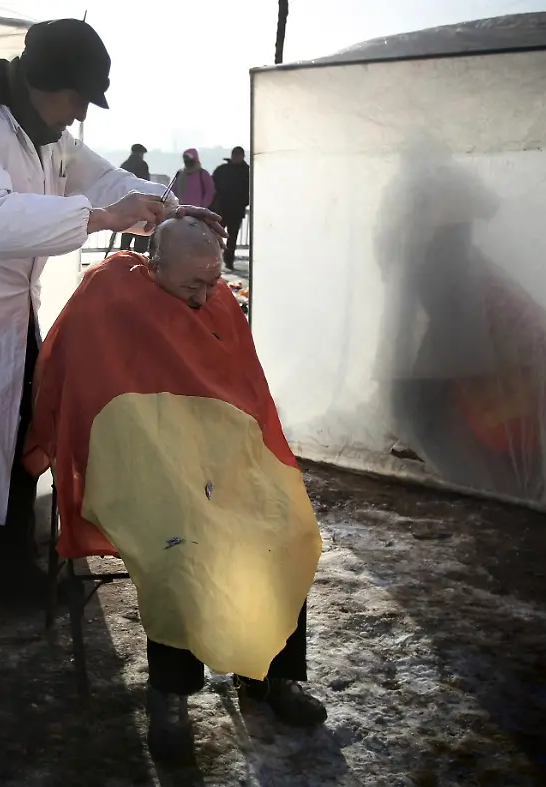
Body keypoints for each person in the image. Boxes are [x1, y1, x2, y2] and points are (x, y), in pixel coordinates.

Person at [0, 19, 225, 680]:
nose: (82, 113)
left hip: (4, 319)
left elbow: (109, 180)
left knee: (22, 447)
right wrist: (101, 219)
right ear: (41, 83)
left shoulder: (45, 135)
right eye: (77, 96)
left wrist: (174, 211)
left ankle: (11, 574)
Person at [23, 217, 326, 765]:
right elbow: (67, 379)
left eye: (214, 282)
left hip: (216, 456)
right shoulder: (110, 293)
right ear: (153, 264)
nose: (206, 295)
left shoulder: (215, 302)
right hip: (138, 461)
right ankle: (170, 693)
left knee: (288, 526)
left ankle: (272, 675)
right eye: (192, 284)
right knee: (183, 543)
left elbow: (244, 392)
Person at [211, 146, 251, 270]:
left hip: (236, 210)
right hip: (221, 209)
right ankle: (212, 260)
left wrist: (244, 202)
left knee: (232, 238)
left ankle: (229, 261)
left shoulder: (247, 171)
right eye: (235, 155)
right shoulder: (222, 169)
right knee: (215, 236)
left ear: (242, 157)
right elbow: (212, 188)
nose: (236, 158)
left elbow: (250, 190)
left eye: (238, 155)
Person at [119, 143, 152, 254]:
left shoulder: (124, 165)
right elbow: (145, 184)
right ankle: (138, 257)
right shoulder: (142, 165)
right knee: (140, 234)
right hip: (140, 202)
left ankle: (123, 255)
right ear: (140, 153)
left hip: (125, 202)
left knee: (126, 231)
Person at [171, 148, 216, 214]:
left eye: (190, 160)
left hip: (198, 213)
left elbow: (210, 192)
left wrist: (202, 207)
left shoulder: (203, 174)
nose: (188, 162)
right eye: (186, 160)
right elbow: (173, 191)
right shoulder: (180, 174)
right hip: (181, 212)